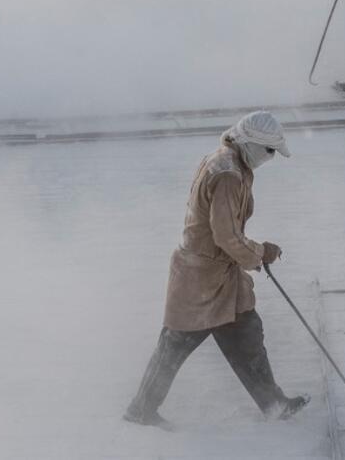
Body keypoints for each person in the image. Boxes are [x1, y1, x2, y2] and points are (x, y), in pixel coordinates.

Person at [123, 111, 309, 430]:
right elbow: (225, 235)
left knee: (247, 333)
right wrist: (261, 252)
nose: (271, 158)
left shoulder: (231, 162)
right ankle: (140, 410)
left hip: (219, 273)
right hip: (200, 277)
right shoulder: (228, 174)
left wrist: (253, 253)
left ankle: (274, 404)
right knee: (175, 344)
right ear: (251, 144)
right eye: (269, 151)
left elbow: (226, 233)